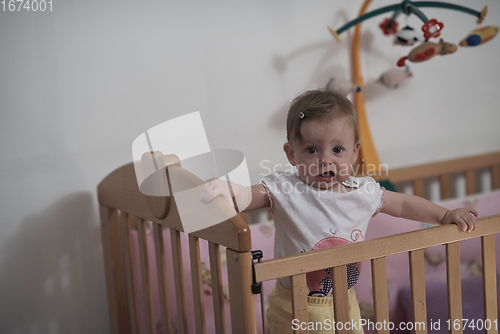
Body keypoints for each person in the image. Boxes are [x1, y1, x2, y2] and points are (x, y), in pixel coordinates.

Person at [199, 89, 478, 334]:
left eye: (337, 149)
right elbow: (250, 195)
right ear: (291, 154)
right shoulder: (286, 187)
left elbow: (403, 204)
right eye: (311, 149)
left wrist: (443, 216)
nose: (325, 159)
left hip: (345, 300)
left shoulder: (363, 191)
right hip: (294, 303)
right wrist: (230, 190)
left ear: (355, 152)